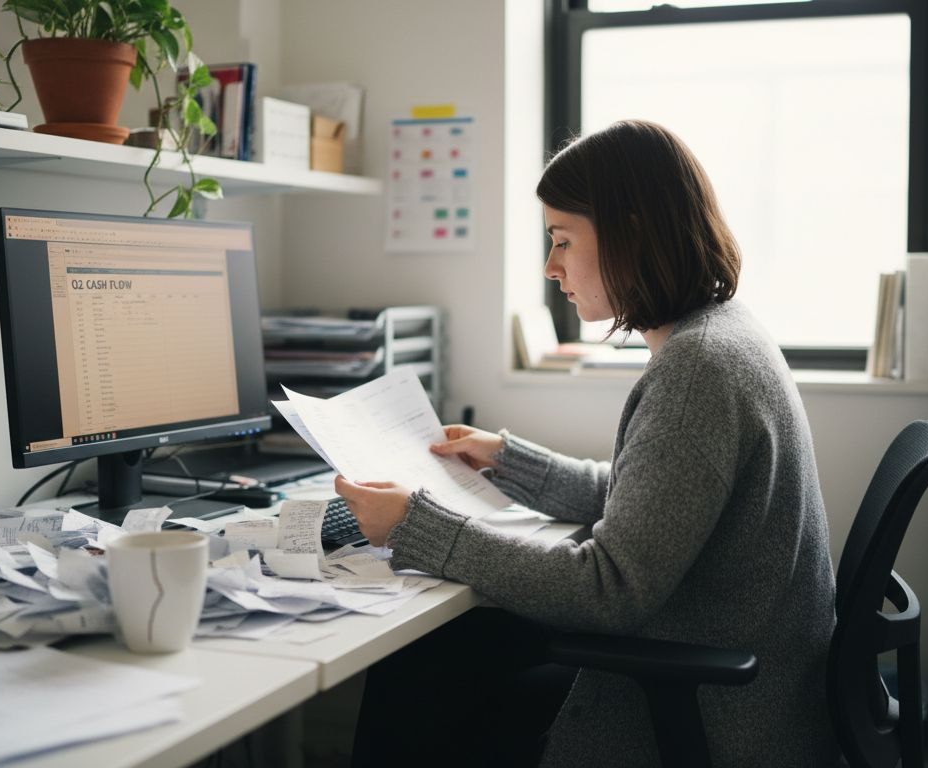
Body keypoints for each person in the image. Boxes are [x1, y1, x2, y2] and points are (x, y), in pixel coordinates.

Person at [338, 119, 839, 767]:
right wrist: (508, 461)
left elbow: (608, 589)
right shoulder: (722, 335)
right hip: (742, 683)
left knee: (420, 675)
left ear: (631, 232)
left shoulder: (697, 371)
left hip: (714, 711)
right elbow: (653, 506)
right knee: (448, 653)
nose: (551, 268)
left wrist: (419, 526)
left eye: (562, 240)